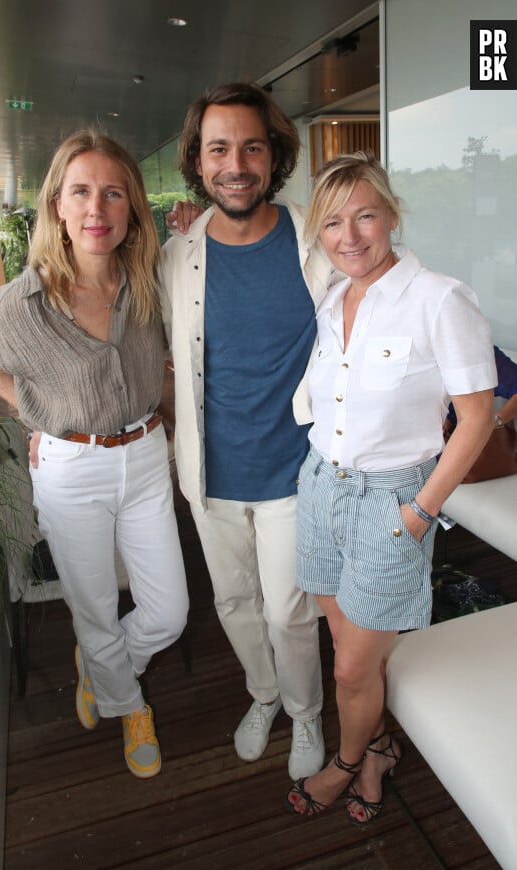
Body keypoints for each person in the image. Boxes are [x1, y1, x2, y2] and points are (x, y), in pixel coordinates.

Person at [0, 130, 189, 779]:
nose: (98, 207)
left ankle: (104, 664)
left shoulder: (146, 277)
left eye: (113, 193)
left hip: (146, 456)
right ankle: (126, 702)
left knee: (169, 612)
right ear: (58, 205)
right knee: (92, 606)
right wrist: (35, 414)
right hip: (71, 471)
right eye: (81, 191)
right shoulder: (27, 300)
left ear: (131, 207)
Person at [284, 151, 496, 824]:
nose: (350, 236)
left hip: (391, 501)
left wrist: (417, 514)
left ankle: (345, 764)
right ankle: (376, 749)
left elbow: (478, 417)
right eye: (333, 223)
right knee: (348, 648)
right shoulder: (332, 297)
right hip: (320, 488)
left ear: (392, 215)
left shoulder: (439, 298)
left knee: (350, 669)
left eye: (365, 216)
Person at [160, 82, 333, 780]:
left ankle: (306, 714)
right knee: (233, 601)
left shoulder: (316, 238)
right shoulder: (176, 252)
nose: (236, 164)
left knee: (291, 612)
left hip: (294, 469)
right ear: (198, 164)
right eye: (219, 148)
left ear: (275, 156)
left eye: (251, 147)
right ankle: (262, 695)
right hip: (211, 471)